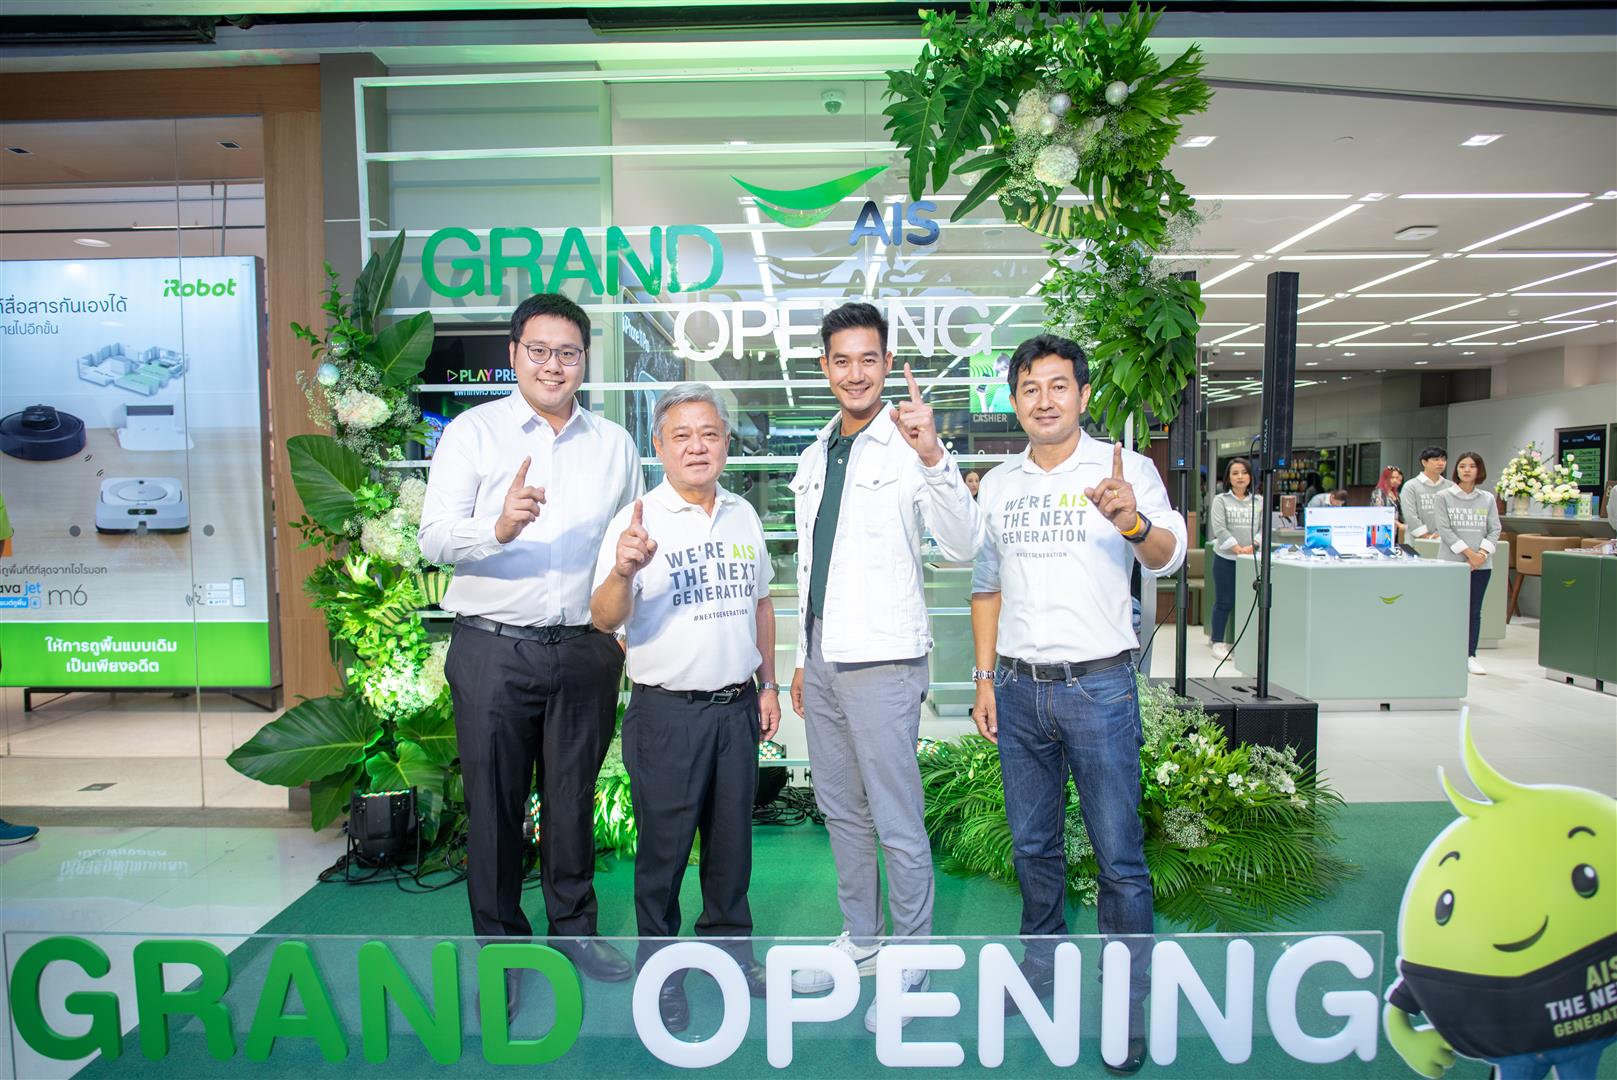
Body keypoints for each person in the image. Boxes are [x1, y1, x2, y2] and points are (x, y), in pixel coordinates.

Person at [418, 293, 644, 1013]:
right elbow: (432, 537)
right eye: (539, 350)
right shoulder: (473, 433)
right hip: (494, 650)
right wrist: (497, 527)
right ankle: (504, 953)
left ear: (584, 361)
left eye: (568, 353)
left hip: (584, 650)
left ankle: (574, 931)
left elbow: (627, 550)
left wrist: (623, 638)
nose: (553, 365)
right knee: (494, 807)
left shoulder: (614, 445)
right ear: (514, 353)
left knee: (572, 802)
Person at [970, 334, 1186, 1075]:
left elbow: (1167, 556)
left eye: (1058, 385)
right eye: (1029, 388)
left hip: (1098, 688)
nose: (1044, 400)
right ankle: (1041, 967)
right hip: (1018, 688)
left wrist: (1131, 521)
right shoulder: (1000, 484)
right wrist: (984, 678)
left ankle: (1126, 1002)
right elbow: (986, 586)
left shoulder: (1124, 469)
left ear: (1083, 395)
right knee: (1033, 846)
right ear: (1014, 399)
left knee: (1119, 857)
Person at [786, 301, 982, 1031]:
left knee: (896, 818)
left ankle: (910, 958)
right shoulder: (815, 454)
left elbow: (963, 545)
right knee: (840, 809)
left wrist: (933, 454)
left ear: (887, 363)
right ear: (824, 367)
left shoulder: (907, 445)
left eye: (868, 359)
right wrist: (801, 659)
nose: (855, 373)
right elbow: (812, 567)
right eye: (841, 360)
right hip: (824, 660)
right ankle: (863, 940)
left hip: (884, 664)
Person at [590, 383, 778, 1034]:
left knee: (731, 851)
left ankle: (732, 956)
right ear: (660, 446)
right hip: (666, 715)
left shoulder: (743, 514)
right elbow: (602, 619)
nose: (697, 446)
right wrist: (622, 571)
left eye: (709, 434)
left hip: (735, 710)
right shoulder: (638, 519)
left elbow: (761, 603)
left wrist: (769, 685)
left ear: (725, 443)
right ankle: (662, 973)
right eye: (682, 435)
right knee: (663, 856)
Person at [1432, 452, 1501, 677]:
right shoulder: (1443, 496)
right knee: (1449, 609)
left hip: (1482, 565)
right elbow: (1445, 529)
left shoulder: (1487, 498)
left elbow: (1495, 529)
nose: (1467, 470)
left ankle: (1470, 655)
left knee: (1474, 611)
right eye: (1462, 466)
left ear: (1479, 470)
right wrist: (1469, 554)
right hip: (1451, 563)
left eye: (1472, 466)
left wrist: (1481, 554)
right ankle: (1446, 653)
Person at [1208, 457, 1261, 659]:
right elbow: (1219, 528)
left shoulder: (1259, 501)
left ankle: (1244, 642)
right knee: (1224, 601)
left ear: (1251, 476)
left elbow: (1263, 528)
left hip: (1250, 560)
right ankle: (1217, 641)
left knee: (1249, 602)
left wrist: (1252, 546)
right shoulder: (1221, 500)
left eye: (1244, 472)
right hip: (1226, 559)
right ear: (1228, 478)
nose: (1240, 477)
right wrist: (1237, 548)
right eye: (1235, 473)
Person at [1401, 446, 1454, 541]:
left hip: (1444, 541)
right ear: (1424, 462)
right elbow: (1410, 516)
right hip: (1416, 542)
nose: (1441, 463)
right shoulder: (1411, 486)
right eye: (1436, 459)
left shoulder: (1450, 486)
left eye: (1443, 460)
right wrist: (1426, 536)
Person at [1371, 466, 1406, 541]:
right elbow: (1380, 513)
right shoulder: (1379, 493)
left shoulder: (1396, 493)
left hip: (1396, 531)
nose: (1395, 480)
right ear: (1385, 478)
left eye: (1397, 478)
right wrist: (1399, 524)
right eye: (1392, 477)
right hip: (1383, 531)